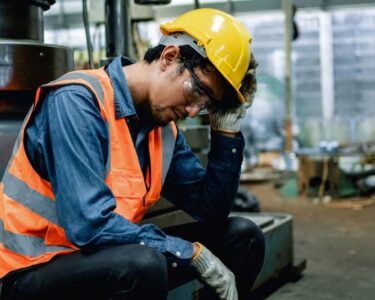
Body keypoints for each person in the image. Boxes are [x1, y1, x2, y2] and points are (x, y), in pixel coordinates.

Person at [0, 8, 264, 300]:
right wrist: (190, 252)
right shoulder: (77, 102)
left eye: (206, 104)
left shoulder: (164, 130)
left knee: (243, 236)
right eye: (197, 90)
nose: (192, 111)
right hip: (29, 270)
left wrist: (226, 132)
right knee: (142, 263)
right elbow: (90, 226)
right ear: (169, 57)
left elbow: (210, 210)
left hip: (100, 258)